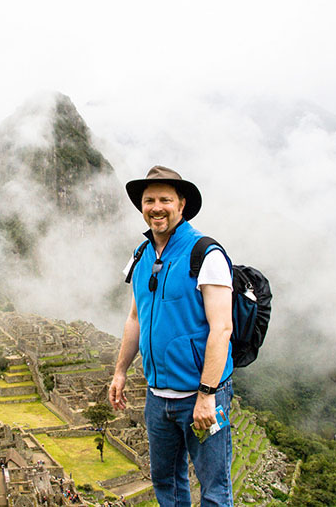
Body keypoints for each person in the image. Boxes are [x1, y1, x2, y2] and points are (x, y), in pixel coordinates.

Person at [109, 165, 235, 506]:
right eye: (149, 200)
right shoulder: (141, 256)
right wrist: (120, 370)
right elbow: (135, 318)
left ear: (181, 205)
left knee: (214, 487)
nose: (156, 207)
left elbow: (222, 328)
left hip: (202, 396)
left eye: (165, 199)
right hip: (157, 398)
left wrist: (207, 394)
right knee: (166, 483)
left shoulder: (205, 254)